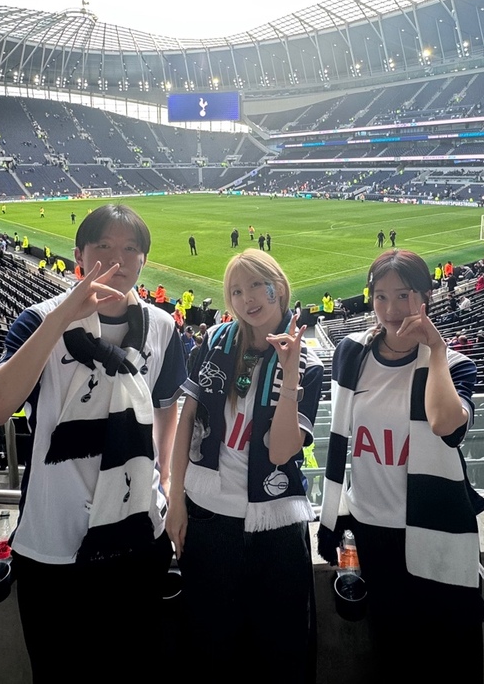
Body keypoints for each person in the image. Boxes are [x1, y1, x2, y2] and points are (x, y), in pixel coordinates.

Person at [0, 204, 185, 680]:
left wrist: (166, 479)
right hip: (55, 544)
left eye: (130, 248)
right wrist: (66, 314)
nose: (118, 259)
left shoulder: (162, 327)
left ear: (143, 260)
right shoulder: (38, 319)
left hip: (138, 538)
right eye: (104, 246)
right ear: (79, 256)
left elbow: (166, 405)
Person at [318, 250, 484, 680]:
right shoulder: (351, 353)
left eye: (404, 295)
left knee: (447, 653)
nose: (391, 309)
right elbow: (342, 437)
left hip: (434, 528)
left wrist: (436, 348)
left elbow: (446, 425)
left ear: (425, 296)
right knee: (392, 650)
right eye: (381, 296)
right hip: (372, 528)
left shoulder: (455, 365)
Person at [167, 250, 322, 683]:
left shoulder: (308, 364)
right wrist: (175, 500)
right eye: (236, 291)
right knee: (210, 648)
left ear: (279, 287)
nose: (247, 298)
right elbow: (186, 419)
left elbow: (280, 453)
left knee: (281, 653)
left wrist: (289, 377)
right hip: (208, 520)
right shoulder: (215, 341)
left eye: (256, 285)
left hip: (276, 531)